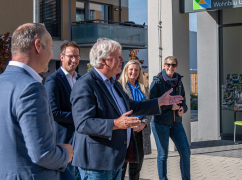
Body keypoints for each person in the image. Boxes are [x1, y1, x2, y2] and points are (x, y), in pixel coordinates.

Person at [70, 38, 183, 180]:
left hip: (115, 159)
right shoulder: (85, 84)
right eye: (117, 57)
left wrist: (159, 102)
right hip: (96, 162)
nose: (122, 60)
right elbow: (83, 124)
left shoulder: (114, 84)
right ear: (104, 60)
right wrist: (116, 124)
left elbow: (132, 106)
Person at [0, 23, 74, 179]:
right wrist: (65, 153)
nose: (51, 54)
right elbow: (43, 154)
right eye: (50, 47)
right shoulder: (31, 88)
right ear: (38, 45)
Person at [44, 41, 81, 179]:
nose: (74, 60)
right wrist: (80, 117)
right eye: (70, 56)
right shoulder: (53, 81)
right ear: (62, 57)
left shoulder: (81, 80)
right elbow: (54, 113)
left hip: (81, 141)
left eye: (76, 56)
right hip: (64, 141)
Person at [150, 56, 190, 180]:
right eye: (168, 64)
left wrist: (183, 108)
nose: (170, 67)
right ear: (164, 65)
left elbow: (183, 100)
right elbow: (152, 105)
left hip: (176, 123)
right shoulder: (157, 82)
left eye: (173, 65)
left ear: (176, 67)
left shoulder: (179, 81)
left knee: (186, 152)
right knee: (163, 155)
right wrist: (169, 107)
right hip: (160, 123)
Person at [119, 60, 152, 180]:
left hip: (140, 132)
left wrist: (144, 123)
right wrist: (130, 123)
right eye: (131, 69)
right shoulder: (120, 87)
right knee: (121, 167)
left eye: (136, 70)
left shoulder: (144, 89)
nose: (134, 72)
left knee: (136, 167)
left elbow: (150, 110)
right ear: (126, 71)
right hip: (125, 132)